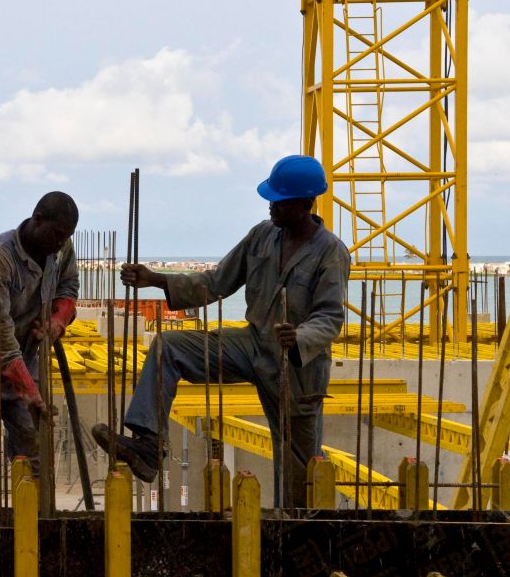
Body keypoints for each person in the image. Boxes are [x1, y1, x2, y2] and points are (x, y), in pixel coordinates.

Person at [92, 154, 349, 508]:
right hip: (253, 344)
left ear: (305, 204)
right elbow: (216, 282)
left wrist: (300, 337)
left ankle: (296, 529)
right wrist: (157, 279)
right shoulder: (262, 236)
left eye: (279, 200)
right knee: (169, 347)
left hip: (296, 366)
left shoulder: (331, 252)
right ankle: (148, 445)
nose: (270, 206)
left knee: (298, 463)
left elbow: (331, 316)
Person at [0, 192, 79, 507]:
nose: (61, 244)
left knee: (34, 444)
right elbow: (0, 340)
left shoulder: (60, 249)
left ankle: (30, 527)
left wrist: (57, 321)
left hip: (27, 350)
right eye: (57, 235)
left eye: (66, 238)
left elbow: (68, 289)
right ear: (36, 220)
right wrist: (29, 391)